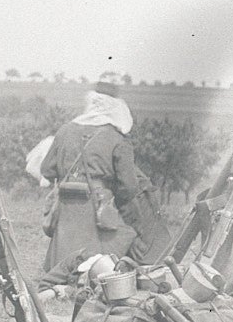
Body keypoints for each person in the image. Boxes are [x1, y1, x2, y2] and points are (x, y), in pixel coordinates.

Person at [39, 81, 152, 270]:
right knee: (131, 235)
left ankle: (59, 275)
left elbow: (47, 171)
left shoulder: (65, 130)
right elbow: (129, 188)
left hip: (66, 206)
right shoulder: (117, 138)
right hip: (98, 206)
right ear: (116, 107)